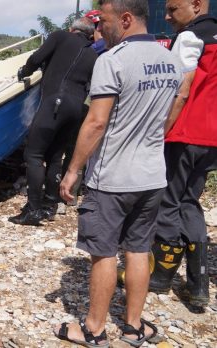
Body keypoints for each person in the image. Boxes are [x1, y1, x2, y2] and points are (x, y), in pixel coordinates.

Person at [56, 1, 182, 346]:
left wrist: (72, 170)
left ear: (126, 19)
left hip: (113, 177)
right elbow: (171, 113)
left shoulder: (112, 60)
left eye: (106, 22)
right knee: (139, 249)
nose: (101, 30)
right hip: (153, 174)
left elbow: (96, 122)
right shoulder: (171, 61)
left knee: (104, 253)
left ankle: (94, 329)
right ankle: (134, 325)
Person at [146, 0, 217, 307]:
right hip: (211, 138)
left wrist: (159, 131)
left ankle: (162, 275)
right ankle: (199, 283)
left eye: (173, 9)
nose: (167, 16)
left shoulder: (190, 36)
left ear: (196, 5)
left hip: (185, 132)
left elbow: (181, 89)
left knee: (169, 201)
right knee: (189, 201)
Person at [11, 17, 98, 225]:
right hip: (75, 109)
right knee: (55, 156)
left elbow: (37, 57)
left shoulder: (60, 37)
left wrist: (25, 71)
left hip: (54, 103)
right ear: (89, 35)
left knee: (33, 154)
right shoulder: (93, 54)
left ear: (72, 29)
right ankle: (50, 206)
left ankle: (32, 210)